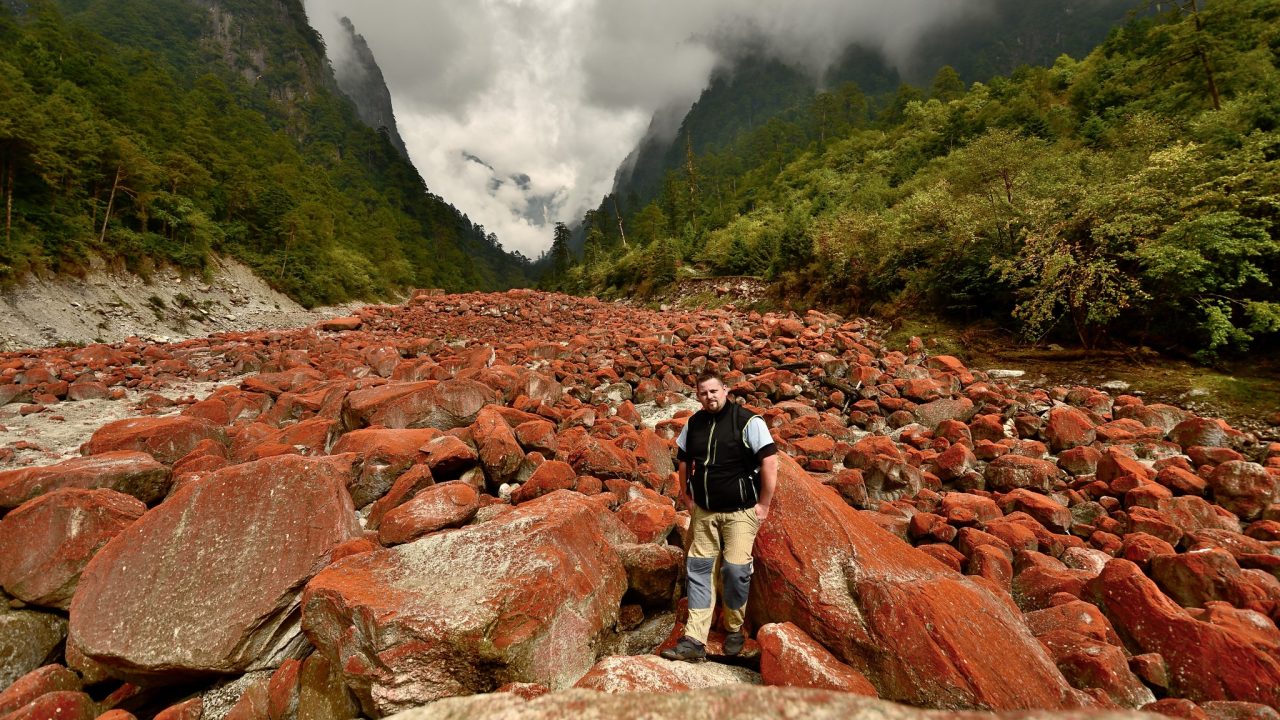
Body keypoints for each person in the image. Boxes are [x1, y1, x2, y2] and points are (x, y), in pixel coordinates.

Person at [661, 369, 778, 662]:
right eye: (703, 393)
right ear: (698, 395)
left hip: (740, 512)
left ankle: (734, 628)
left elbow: (769, 461)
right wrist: (687, 496)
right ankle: (694, 639)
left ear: (725, 389)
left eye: (714, 391)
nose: (709, 397)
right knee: (699, 571)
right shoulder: (694, 423)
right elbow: (683, 460)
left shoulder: (748, 421)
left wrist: (764, 504)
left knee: (736, 571)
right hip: (705, 512)